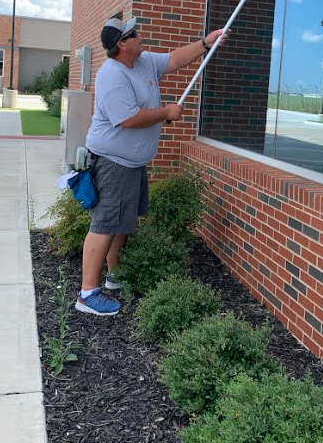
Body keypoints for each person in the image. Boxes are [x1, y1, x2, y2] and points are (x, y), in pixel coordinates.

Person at [76, 17, 226, 316]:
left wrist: (206, 42)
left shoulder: (142, 61)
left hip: (131, 163)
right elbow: (128, 119)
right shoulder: (112, 76)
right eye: (134, 34)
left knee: (121, 223)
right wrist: (167, 112)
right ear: (121, 44)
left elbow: (172, 60)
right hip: (112, 163)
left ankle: (114, 276)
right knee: (105, 224)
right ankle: (87, 294)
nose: (140, 36)